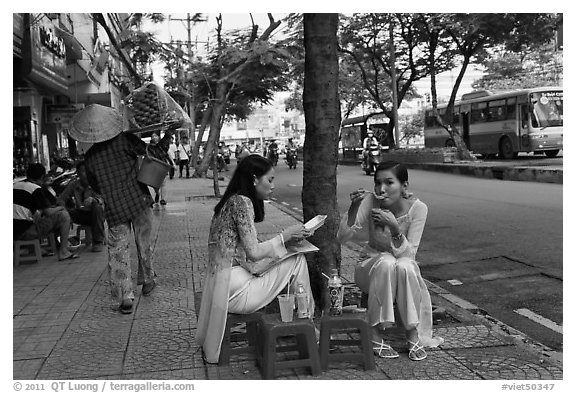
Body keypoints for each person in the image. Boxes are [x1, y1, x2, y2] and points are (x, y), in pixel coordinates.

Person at [196, 154, 315, 364]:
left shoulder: (229, 201)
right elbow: (253, 253)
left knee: (289, 257)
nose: (273, 185)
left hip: (223, 286)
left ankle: (302, 320)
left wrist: (281, 246)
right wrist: (284, 237)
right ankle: (307, 325)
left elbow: (245, 253)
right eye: (269, 180)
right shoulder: (242, 203)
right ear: (254, 179)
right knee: (298, 260)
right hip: (235, 292)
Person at [69, 104, 172, 314]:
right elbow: (156, 152)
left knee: (117, 252)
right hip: (138, 201)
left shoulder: (90, 159)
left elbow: (95, 186)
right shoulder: (124, 140)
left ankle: (125, 296)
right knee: (144, 244)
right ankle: (148, 280)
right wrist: (168, 134)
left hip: (114, 209)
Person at [337, 161, 443, 361]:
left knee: (404, 265)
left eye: (389, 183)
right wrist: (353, 207)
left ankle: (413, 334)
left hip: (403, 269)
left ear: (404, 186)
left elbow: (410, 255)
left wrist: (394, 229)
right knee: (386, 261)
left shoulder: (418, 209)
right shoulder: (370, 201)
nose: (381, 189)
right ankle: (375, 333)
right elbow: (341, 238)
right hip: (369, 268)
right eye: (378, 183)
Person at [13, 163, 78, 261]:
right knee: (64, 216)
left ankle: (34, 249)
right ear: (42, 177)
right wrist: (61, 208)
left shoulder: (15, 185)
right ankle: (63, 251)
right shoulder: (35, 189)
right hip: (25, 232)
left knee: (35, 216)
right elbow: (49, 212)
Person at [57, 161, 106, 252]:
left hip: (96, 214)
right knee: (60, 213)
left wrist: (93, 199)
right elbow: (61, 199)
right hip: (81, 213)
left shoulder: (96, 183)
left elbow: (103, 199)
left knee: (97, 207)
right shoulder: (74, 184)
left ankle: (98, 241)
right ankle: (61, 243)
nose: (86, 174)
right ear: (78, 173)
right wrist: (63, 207)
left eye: (87, 171)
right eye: (83, 171)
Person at [149, 132, 170, 205]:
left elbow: (167, 155)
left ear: (158, 137)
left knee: (163, 183)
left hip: (163, 165)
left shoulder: (162, 146)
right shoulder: (149, 147)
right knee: (155, 184)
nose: (154, 137)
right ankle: (157, 193)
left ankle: (163, 199)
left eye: (155, 136)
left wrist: (172, 163)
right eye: (152, 136)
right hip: (154, 167)